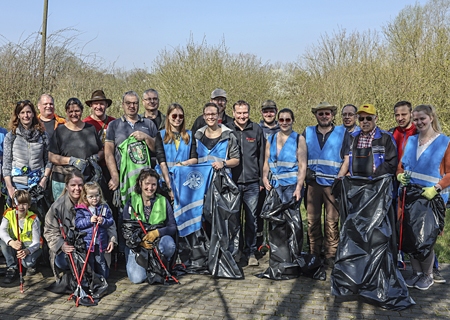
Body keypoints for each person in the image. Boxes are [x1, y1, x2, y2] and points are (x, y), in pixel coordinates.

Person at [397, 104, 450, 291]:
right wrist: (399, 174)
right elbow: (401, 166)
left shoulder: (444, 142)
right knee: (411, 236)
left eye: (422, 119)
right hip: (409, 195)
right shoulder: (411, 141)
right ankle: (416, 273)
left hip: (431, 197)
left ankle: (428, 275)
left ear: (431, 118)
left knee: (425, 238)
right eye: (416, 119)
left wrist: (437, 188)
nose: (419, 122)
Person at [104, 91, 158, 253]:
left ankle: (146, 247)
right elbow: (108, 153)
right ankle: (125, 252)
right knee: (125, 212)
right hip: (124, 178)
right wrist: (115, 176)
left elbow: (157, 149)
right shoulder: (114, 126)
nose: (132, 106)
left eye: (134, 103)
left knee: (146, 212)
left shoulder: (148, 124)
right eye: (128, 103)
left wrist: (146, 137)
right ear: (123, 105)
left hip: (145, 182)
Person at [44, 171, 117, 279]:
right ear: (67, 186)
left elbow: (111, 223)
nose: (77, 188)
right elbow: (49, 230)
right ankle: (73, 272)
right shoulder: (57, 207)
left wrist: (112, 239)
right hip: (71, 246)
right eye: (73, 185)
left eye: (80, 185)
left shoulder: (99, 202)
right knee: (63, 261)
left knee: (102, 271)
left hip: (96, 245)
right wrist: (61, 245)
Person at [304, 102, 347, 267]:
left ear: (332, 115)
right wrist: (305, 170)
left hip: (332, 184)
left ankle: (331, 254)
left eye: (327, 114)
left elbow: (346, 158)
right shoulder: (307, 132)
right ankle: (314, 253)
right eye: (320, 114)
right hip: (313, 184)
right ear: (316, 115)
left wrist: (339, 178)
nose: (324, 116)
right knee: (312, 220)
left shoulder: (342, 132)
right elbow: (300, 155)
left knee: (331, 221)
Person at [122, 168, 176, 284]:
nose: (150, 188)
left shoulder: (163, 200)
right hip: (137, 245)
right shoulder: (131, 201)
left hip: (156, 242)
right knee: (137, 279)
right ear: (140, 183)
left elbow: (172, 227)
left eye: (153, 184)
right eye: (147, 184)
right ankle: (139, 261)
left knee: (169, 244)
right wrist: (140, 242)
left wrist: (157, 233)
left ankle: (161, 267)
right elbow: (126, 231)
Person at [228, 100, 264, 266]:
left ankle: (251, 252)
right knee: (233, 220)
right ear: (234, 113)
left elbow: (262, 156)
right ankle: (235, 253)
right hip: (232, 183)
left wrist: (262, 179)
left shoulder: (256, 129)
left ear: (249, 113)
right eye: (239, 113)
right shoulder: (227, 129)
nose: (242, 116)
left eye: (245, 113)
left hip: (252, 183)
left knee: (251, 220)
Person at [49, 98, 103, 200]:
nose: (74, 114)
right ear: (66, 112)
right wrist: (71, 160)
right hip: (63, 181)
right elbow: (51, 156)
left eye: (77, 111)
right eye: (71, 111)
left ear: (82, 111)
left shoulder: (90, 129)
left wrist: (96, 157)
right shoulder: (60, 131)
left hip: (87, 181)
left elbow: (102, 150)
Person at [2, 100, 52, 204]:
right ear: (18, 115)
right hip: (17, 185)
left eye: (29, 112)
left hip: (38, 185)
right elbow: (6, 164)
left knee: (37, 219)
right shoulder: (11, 136)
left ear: (33, 114)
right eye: (22, 112)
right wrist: (10, 187)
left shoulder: (43, 136)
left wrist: (44, 180)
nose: (26, 115)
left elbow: (49, 160)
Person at [262, 107, 306, 223]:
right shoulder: (271, 139)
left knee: (290, 219)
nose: (284, 123)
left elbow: (302, 166)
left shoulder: (299, 139)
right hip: (274, 185)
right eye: (281, 120)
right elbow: (266, 161)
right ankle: (275, 242)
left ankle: (291, 242)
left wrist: (299, 188)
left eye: (288, 120)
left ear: (292, 121)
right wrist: (264, 178)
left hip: (291, 185)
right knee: (274, 218)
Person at [338, 104, 397, 178]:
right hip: (355, 184)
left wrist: (372, 178)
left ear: (375, 119)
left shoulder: (386, 138)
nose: (365, 121)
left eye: (369, 118)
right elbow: (346, 161)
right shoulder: (352, 138)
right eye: (361, 119)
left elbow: (392, 164)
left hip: (378, 184)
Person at [155, 103, 198, 200]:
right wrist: (169, 187)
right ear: (168, 117)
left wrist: (183, 163)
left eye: (181, 116)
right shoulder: (160, 135)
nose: (177, 119)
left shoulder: (190, 135)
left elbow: (195, 158)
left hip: (184, 180)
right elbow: (162, 163)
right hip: (164, 181)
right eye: (174, 116)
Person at [0, 190, 42, 283]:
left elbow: (37, 242)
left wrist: (27, 251)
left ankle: (33, 264)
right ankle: (12, 267)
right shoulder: (8, 213)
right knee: (3, 241)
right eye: (18, 203)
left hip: (30, 246)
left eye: (25, 204)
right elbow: (2, 231)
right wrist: (11, 242)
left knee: (27, 263)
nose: (21, 207)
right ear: (14, 204)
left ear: (29, 205)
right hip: (16, 243)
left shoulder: (34, 218)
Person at [75, 181, 114, 279]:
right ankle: (92, 280)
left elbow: (110, 221)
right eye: (91, 196)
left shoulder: (103, 207)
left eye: (97, 195)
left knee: (100, 261)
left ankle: (103, 279)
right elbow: (78, 224)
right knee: (90, 262)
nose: (94, 198)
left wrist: (103, 221)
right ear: (85, 197)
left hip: (99, 242)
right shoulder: (82, 209)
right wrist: (89, 220)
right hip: (87, 243)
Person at [194, 102, 240, 172]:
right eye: (207, 114)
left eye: (213, 114)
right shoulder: (197, 136)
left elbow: (236, 160)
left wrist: (223, 163)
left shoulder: (228, 136)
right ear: (204, 116)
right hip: (202, 178)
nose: (210, 117)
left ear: (218, 116)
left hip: (222, 178)